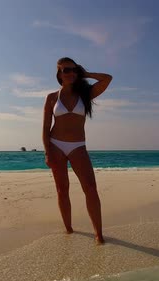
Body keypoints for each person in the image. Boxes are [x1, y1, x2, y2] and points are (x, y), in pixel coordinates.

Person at [42, 57, 112, 244]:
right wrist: (47, 151)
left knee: (90, 188)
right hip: (56, 145)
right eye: (66, 70)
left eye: (73, 69)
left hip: (78, 146)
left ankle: (99, 234)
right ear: (59, 74)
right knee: (62, 189)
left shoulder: (85, 94)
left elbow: (107, 78)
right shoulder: (51, 98)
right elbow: (45, 127)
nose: (70, 73)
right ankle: (69, 229)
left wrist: (86, 73)